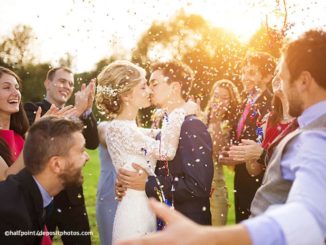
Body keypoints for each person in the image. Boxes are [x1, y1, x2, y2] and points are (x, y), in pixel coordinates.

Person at [116, 29, 326, 245]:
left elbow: (307, 218)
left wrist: (211, 237)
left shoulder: (316, 137)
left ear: (304, 81)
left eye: (281, 78)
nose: (276, 87)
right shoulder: (305, 128)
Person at [95, 60, 197, 242]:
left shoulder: (128, 127)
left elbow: (159, 135)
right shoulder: (120, 129)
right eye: (143, 87)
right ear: (127, 95)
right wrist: (181, 112)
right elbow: (166, 150)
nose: (149, 91)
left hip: (144, 207)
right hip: (135, 215)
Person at [116, 61, 214, 226]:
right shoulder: (167, 128)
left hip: (188, 227)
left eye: (154, 83)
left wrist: (148, 184)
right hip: (166, 222)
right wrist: (129, 181)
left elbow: (198, 186)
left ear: (175, 87)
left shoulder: (191, 126)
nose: (149, 89)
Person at [24, 67, 99, 245]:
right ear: (47, 83)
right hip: (41, 198)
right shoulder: (32, 110)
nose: (67, 86)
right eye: (62, 81)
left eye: (71, 84)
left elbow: (93, 142)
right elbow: (42, 140)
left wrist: (87, 110)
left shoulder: (77, 112)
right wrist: (78, 112)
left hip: (72, 197)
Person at [0, 117, 90, 245]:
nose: (87, 157)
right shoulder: (11, 216)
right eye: (81, 151)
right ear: (56, 164)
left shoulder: (31, 194)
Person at [230, 51, 275, 222]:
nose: (244, 77)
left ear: (267, 77)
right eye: (243, 72)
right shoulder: (244, 104)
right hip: (241, 178)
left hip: (261, 181)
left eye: (251, 72)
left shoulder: (272, 105)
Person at [226, 66, 295, 177]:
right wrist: (249, 156)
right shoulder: (267, 120)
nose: (277, 76)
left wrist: (261, 154)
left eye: (282, 72)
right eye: (276, 72)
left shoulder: (303, 120)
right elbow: (254, 171)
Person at [203, 79, 240, 225]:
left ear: (232, 101)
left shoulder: (232, 124)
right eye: (216, 96)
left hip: (216, 188)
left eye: (225, 98)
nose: (219, 101)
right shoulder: (201, 118)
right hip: (198, 188)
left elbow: (220, 155)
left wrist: (216, 123)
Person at [0, 67, 29, 180]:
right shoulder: (28, 139)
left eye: (17, 88)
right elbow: (6, 182)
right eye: (7, 87)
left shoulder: (21, 137)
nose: (16, 93)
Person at [96, 121, 118, 245]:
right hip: (111, 186)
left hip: (136, 186)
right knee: (110, 235)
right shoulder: (104, 126)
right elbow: (108, 140)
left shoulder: (136, 127)